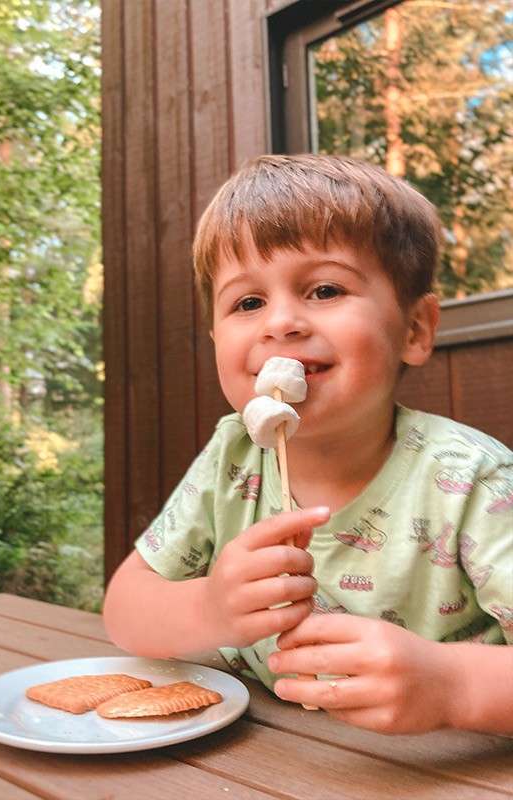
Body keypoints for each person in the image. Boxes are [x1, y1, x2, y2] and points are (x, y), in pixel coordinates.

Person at [103, 154, 513, 735]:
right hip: (268, 755)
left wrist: (453, 685)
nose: (282, 322)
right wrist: (209, 609)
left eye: (324, 289)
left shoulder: (475, 480)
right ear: (217, 337)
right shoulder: (234, 456)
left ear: (415, 330)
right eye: (248, 303)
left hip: (445, 766)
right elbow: (124, 610)